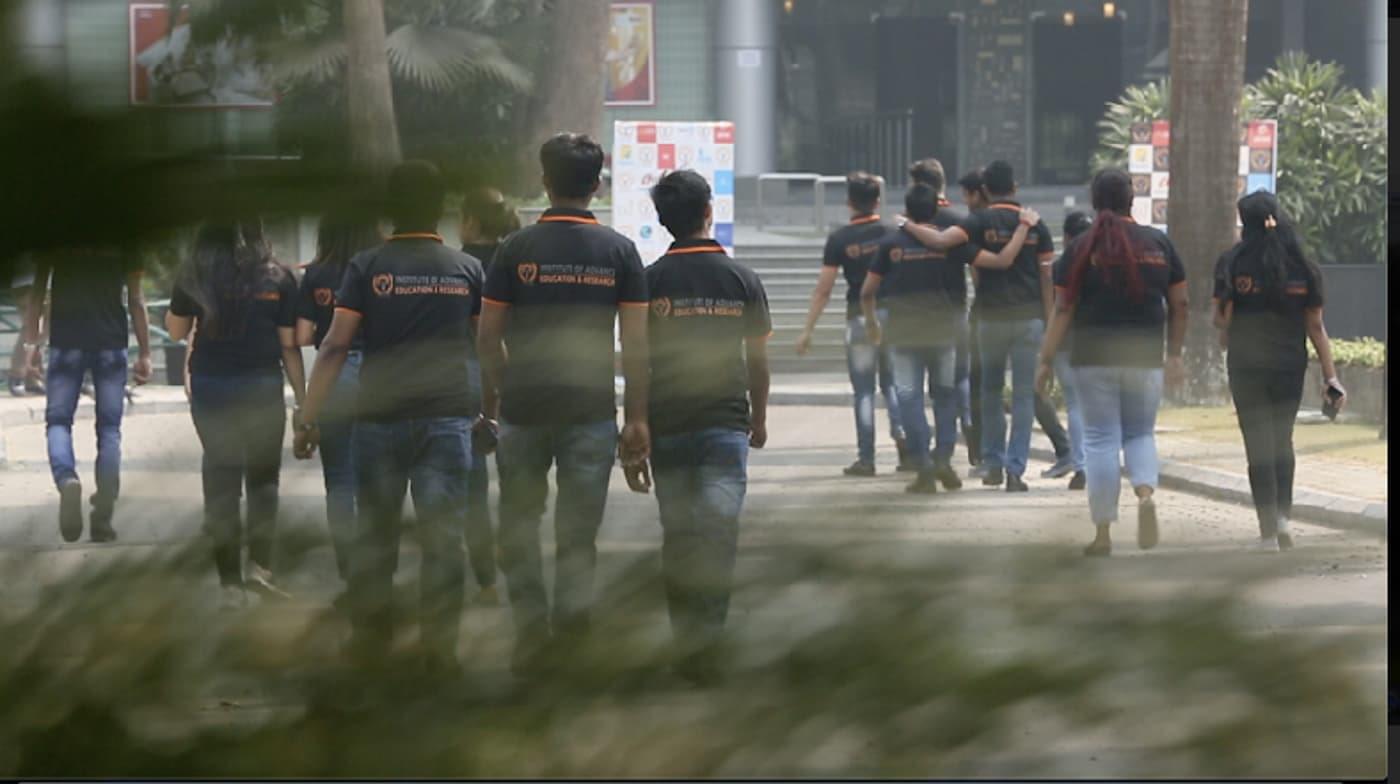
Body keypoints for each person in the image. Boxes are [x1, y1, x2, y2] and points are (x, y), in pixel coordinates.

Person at [295, 160, 482, 671]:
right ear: (440, 209)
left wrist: (308, 416)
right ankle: (440, 649)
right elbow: (488, 347)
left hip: (379, 422)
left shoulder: (367, 266)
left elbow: (334, 347)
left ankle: (370, 642)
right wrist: (490, 410)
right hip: (446, 419)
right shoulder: (465, 269)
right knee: (444, 540)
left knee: (377, 537)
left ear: (389, 211)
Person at [476, 133, 650, 677]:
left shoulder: (515, 249)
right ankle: (573, 636)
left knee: (519, 525)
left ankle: (532, 634)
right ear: (596, 186)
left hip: (523, 411)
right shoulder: (620, 252)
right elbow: (637, 346)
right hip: (591, 414)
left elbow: (486, 339)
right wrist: (637, 417)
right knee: (578, 533)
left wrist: (497, 396)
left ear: (544, 182)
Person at [624, 169, 771, 685]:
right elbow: (758, 361)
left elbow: (635, 361)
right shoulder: (742, 279)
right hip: (726, 424)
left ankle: (689, 645)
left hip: (669, 425)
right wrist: (759, 415)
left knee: (680, 537)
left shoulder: (650, 279)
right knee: (718, 536)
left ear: (665, 221)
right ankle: (709, 643)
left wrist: (636, 423)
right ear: (709, 213)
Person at [1036, 169, 1188, 557]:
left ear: (1093, 201)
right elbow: (1180, 304)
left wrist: (1046, 359)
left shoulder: (1079, 249)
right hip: (1145, 358)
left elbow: (1063, 308)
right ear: (1130, 200)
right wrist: (1174, 355)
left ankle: (1103, 533)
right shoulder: (1158, 244)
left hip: (1093, 360)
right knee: (1140, 434)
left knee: (1101, 439)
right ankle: (1145, 493)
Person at [864, 183, 1038, 494]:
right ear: (936, 209)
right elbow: (990, 267)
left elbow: (867, 291)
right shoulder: (952, 246)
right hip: (944, 331)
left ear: (907, 210)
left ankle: (924, 465)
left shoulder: (890, 243)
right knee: (945, 395)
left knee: (908, 396)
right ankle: (943, 456)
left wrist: (873, 323)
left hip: (903, 334)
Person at [167, 219, 306, 607]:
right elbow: (289, 346)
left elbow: (177, 332)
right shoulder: (278, 276)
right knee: (264, 480)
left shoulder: (195, 273)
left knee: (221, 481)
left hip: (212, 385)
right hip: (262, 385)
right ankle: (259, 570)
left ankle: (229, 586)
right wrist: (302, 400)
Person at [899, 160, 1056, 492]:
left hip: (990, 318)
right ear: (1014, 187)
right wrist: (1050, 324)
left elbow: (941, 242)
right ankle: (1016, 470)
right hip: (1029, 319)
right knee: (1026, 397)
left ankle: (993, 464)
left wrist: (908, 226)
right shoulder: (1036, 225)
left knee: (990, 392)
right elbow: (1046, 277)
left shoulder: (977, 221)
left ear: (984, 190)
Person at [1214, 191, 1343, 552]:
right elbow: (1316, 327)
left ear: (1244, 222)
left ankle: (1268, 532)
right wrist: (1331, 378)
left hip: (1246, 365)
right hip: (1289, 365)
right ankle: (1284, 518)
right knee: (1282, 440)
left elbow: (1220, 323)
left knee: (1258, 446)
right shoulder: (1303, 266)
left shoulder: (1231, 263)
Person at [23, 247, 152, 542]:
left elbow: (36, 296)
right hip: (110, 344)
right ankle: (103, 517)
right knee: (109, 430)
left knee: (58, 422)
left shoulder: (56, 232)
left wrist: (32, 346)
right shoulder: (126, 236)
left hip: (66, 343)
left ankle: (67, 479)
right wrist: (144, 352)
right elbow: (136, 300)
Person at [795, 172, 906, 476]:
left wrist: (808, 330)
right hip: (893, 316)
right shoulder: (891, 231)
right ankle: (903, 437)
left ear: (848, 202)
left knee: (864, 391)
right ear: (878, 201)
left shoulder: (840, 239)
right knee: (893, 383)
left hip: (858, 318)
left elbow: (824, 289)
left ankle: (867, 459)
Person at [295, 211, 382, 591]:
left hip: (335, 375)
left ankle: (350, 571)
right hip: (379, 376)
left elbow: (301, 335)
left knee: (341, 479)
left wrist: (305, 416)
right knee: (377, 478)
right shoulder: (381, 266)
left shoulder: (316, 274)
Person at [457, 186, 521, 605]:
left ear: (472, 222)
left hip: (469, 383)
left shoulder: (457, 265)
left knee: (474, 488)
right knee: (517, 481)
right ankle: (513, 551)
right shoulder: (515, 262)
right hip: (516, 380)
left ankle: (486, 581)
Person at [1044, 210, 1092, 491]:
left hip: (1065, 343)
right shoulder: (1102, 262)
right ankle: (1095, 465)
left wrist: (1046, 353)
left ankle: (1081, 465)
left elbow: (1056, 308)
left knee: (1075, 405)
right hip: (1092, 341)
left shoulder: (1062, 266)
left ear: (1066, 236)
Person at [7, 257, 46, 396]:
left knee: (42, 330)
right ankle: (17, 375)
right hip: (29, 281)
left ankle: (31, 376)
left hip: (45, 282)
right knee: (31, 326)